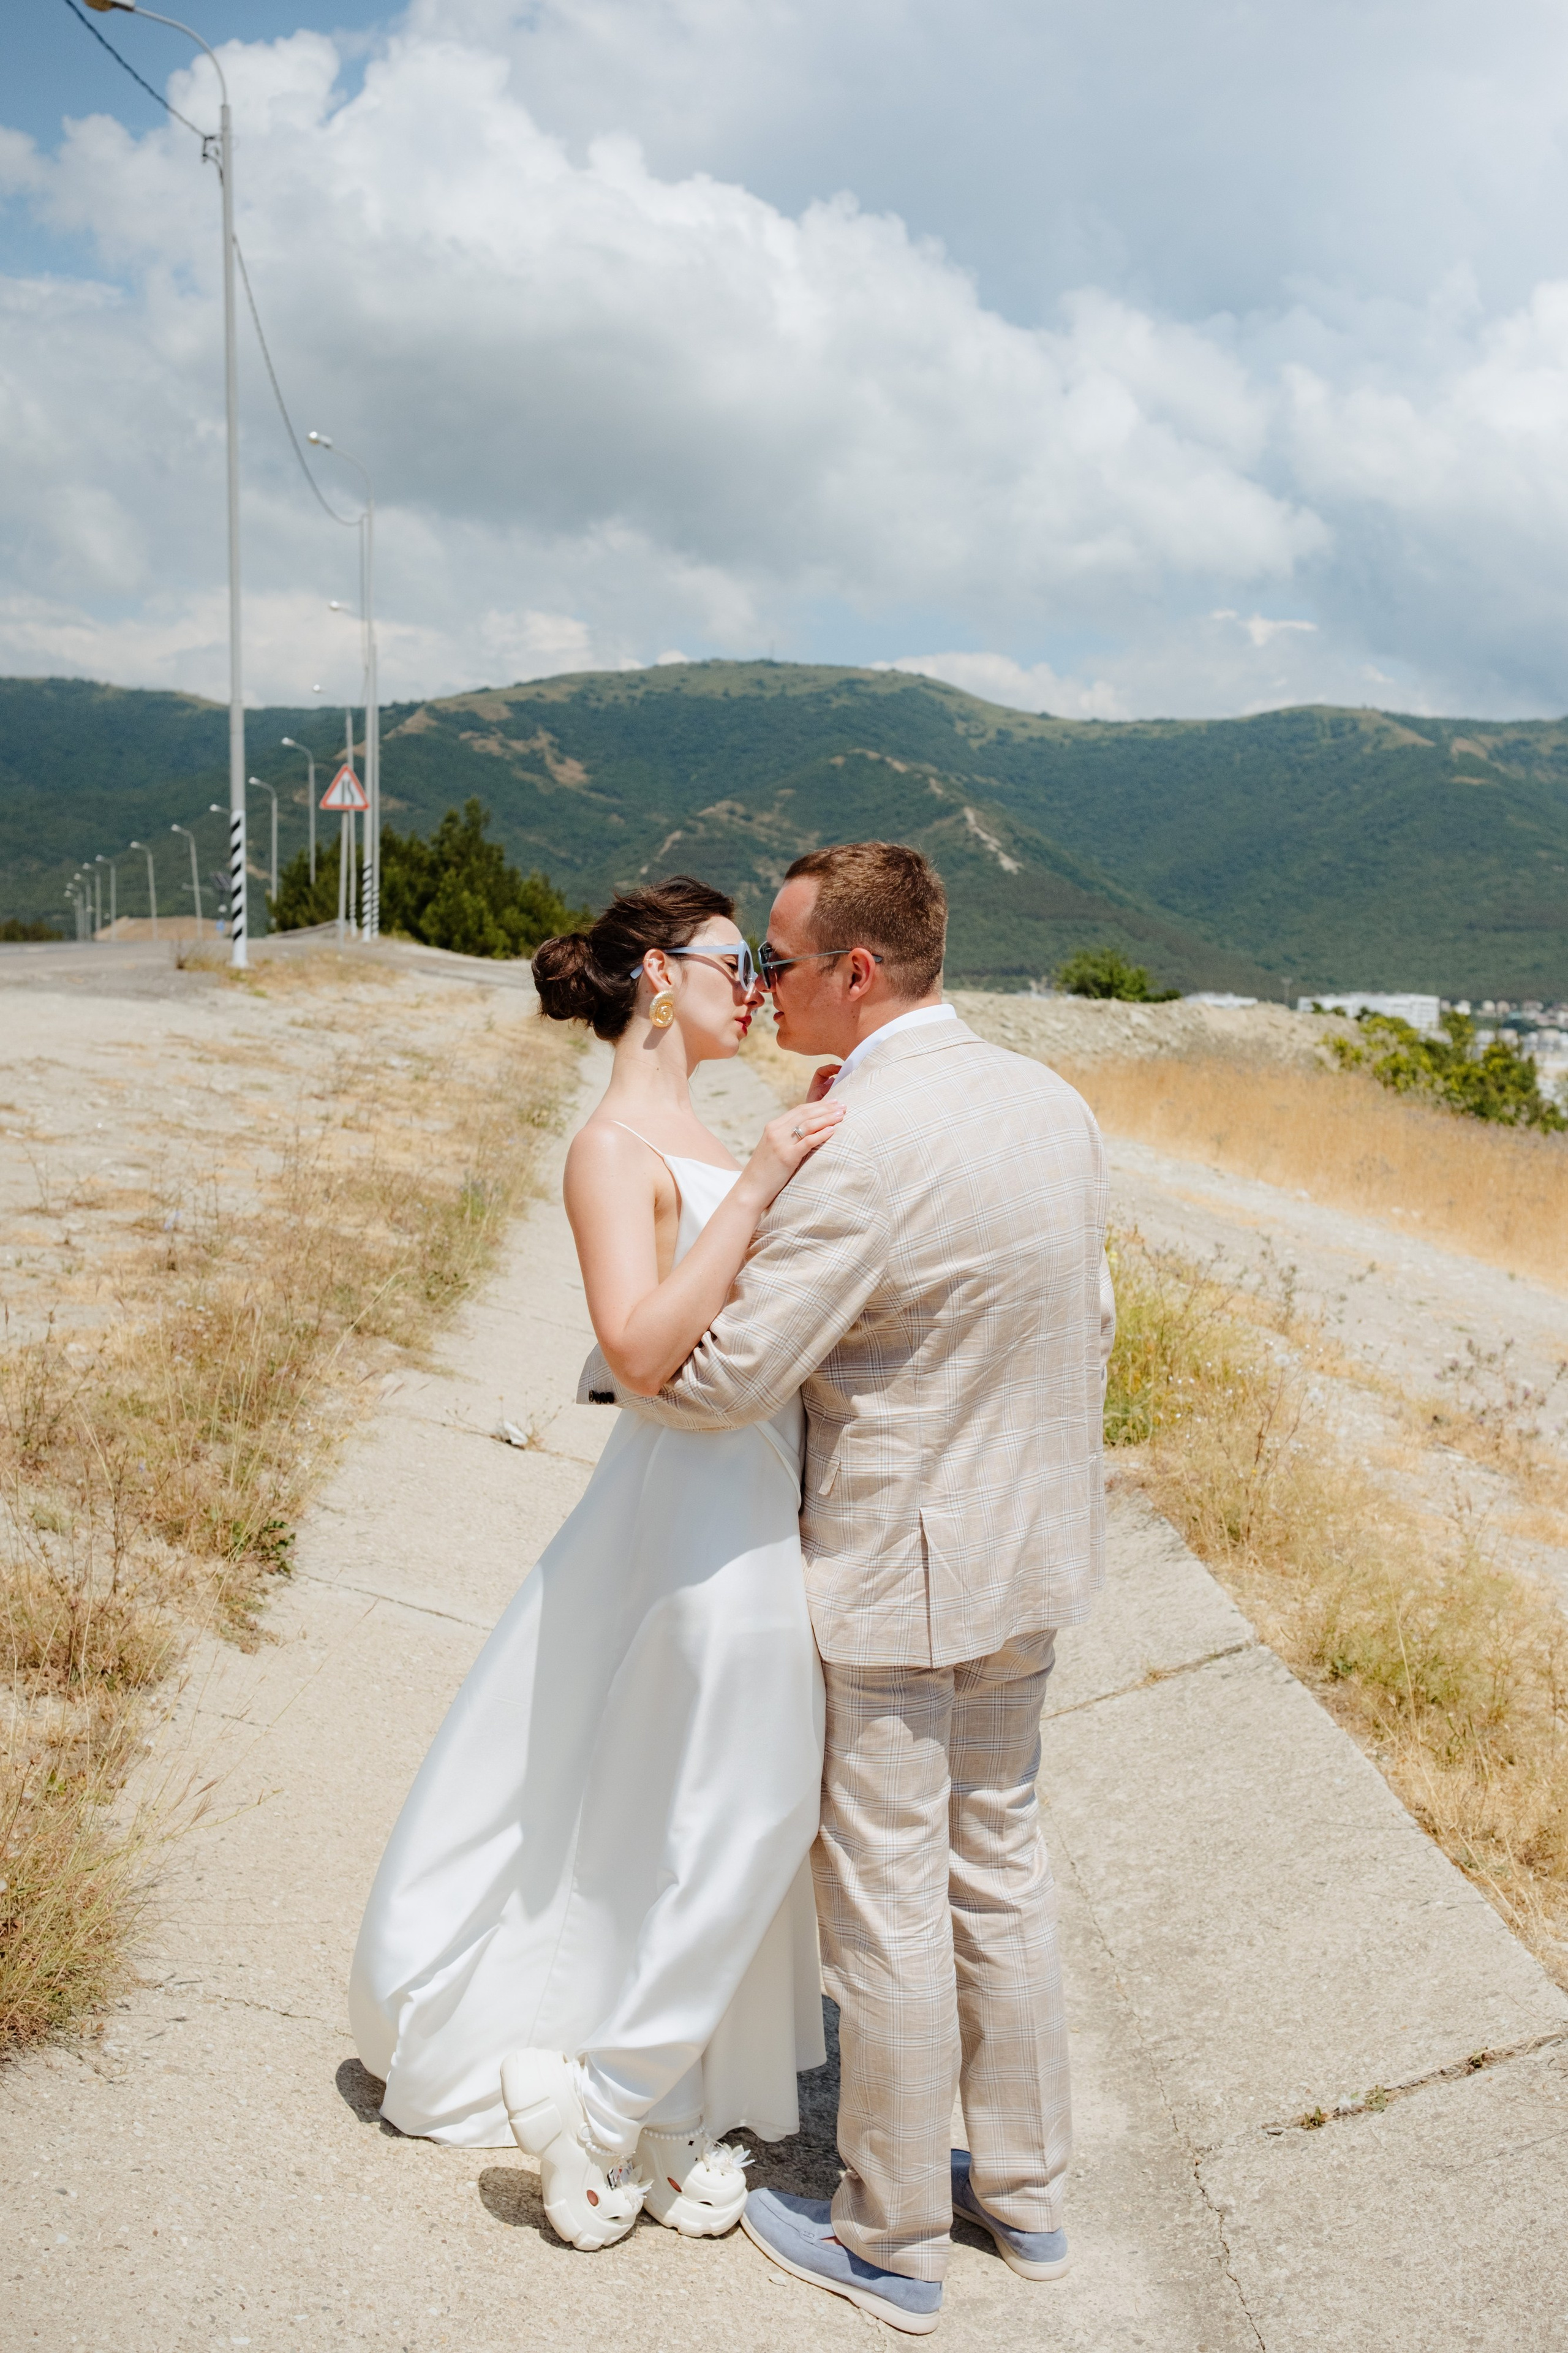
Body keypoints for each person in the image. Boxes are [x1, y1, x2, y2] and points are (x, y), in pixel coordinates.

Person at [633, 842, 1112, 2337]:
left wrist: (626, 1355)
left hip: (901, 1575)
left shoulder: (859, 1138)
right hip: (1031, 1553)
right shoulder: (1051, 1100)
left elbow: (724, 1379)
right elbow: (1082, 1310)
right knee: (1002, 1870)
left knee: (888, 1907)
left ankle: (891, 2235)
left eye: (776, 962)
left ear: (854, 971)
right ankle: (1022, 2198)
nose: (762, 987)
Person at [348, 875, 843, 2252]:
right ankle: (598, 2091)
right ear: (652, 977)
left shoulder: (705, 1124)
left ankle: (662, 2098)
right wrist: (756, 1185)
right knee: (743, 1798)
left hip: (750, 1489)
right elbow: (632, 1350)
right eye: (729, 962)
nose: (750, 987)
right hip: (686, 1497)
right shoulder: (612, 1145)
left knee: (680, 1800)